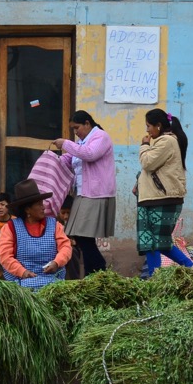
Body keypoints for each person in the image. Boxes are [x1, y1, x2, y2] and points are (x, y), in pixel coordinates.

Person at [52, 111, 115, 276]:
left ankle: (96, 269)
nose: (75, 132)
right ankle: (95, 271)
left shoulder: (101, 137)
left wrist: (66, 143)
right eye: (73, 129)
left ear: (87, 123)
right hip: (83, 194)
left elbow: (90, 154)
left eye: (77, 127)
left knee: (81, 235)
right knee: (80, 236)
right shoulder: (81, 142)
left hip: (96, 193)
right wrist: (53, 160)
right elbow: (72, 159)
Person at [136, 109, 193, 279]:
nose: (147, 130)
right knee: (157, 242)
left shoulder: (167, 141)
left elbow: (147, 163)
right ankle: (191, 267)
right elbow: (153, 171)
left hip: (161, 199)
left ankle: (154, 278)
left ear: (158, 126)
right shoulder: (165, 142)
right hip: (153, 198)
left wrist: (144, 145)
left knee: (152, 243)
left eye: (149, 126)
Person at [0, 179, 73, 290]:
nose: (43, 207)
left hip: (52, 280)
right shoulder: (10, 228)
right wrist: (22, 272)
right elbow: (4, 256)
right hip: (21, 282)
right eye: (39, 204)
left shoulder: (54, 225)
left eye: (42, 203)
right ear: (27, 209)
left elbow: (66, 247)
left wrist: (57, 262)